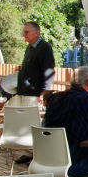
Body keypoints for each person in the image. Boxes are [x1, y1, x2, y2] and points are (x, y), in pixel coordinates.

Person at [15, 22, 55, 164]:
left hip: (34, 93)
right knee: (27, 125)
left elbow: (48, 71)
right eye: (24, 32)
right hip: (24, 92)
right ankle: (30, 152)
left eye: (26, 32)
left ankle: (38, 154)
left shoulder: (44, 48)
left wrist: (44, 93)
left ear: (36, 33)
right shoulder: (30, 48)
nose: (24, 34)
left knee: (34, 125)